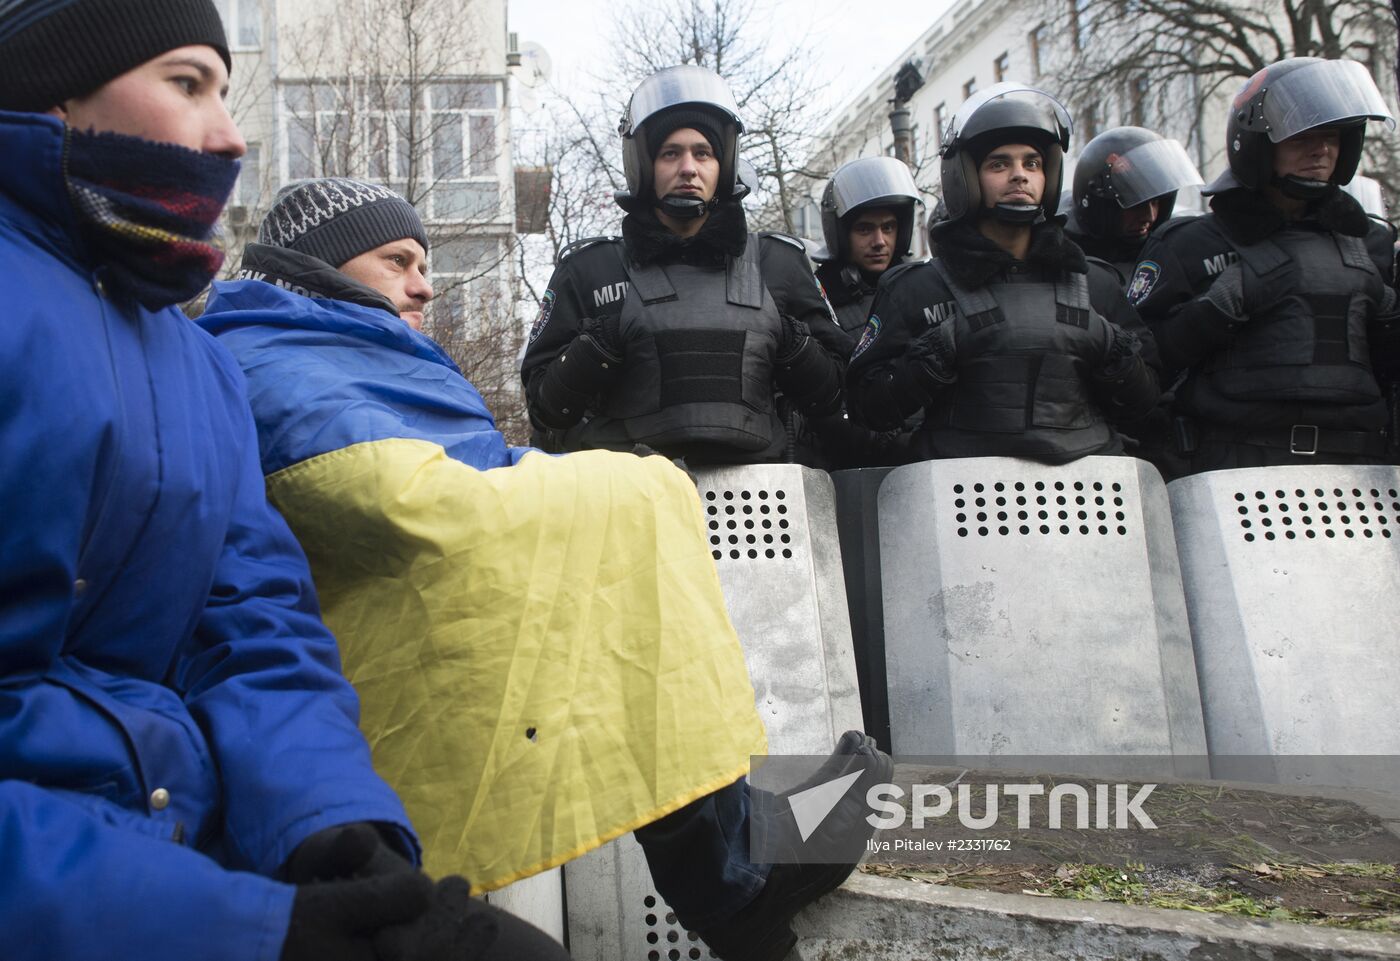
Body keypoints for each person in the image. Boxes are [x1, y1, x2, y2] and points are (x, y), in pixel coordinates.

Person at [0, 2, 570, 959]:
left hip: (190, 850)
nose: (229, 134)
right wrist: (240, 927)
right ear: (55, 92)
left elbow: (255, 626)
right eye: (187, 84)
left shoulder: (195, 364)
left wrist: (332, 831)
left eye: (227, 90)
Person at [198, 178, 893, 961]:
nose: (424, 283)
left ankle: (735, 863)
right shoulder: (271, 352)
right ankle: (733, 871)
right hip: (342, 657)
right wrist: (611, 487)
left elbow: (452, 464)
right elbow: (388, 491)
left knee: (620, 536)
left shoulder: (332, 347)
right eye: (397, 261)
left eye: (424, 262)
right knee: (630, 508)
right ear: (322, 269)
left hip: (365, 641)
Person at [520, 65, 847, 466]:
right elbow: (544, 410)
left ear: (723, 165)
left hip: (763, 506)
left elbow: (837, 399)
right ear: (644, 165)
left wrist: (792, 341)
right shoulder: (590, 270)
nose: (688, 168)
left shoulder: (779, 263)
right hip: (630, 502)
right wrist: (597, 346)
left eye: (703, 152)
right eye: (670, 153)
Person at [845, 83, 1160, 464]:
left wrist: (1109, 344)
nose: (1019, 176)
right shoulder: (917, 289)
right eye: (999, 164)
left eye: (1032, 163)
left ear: (1049, 177)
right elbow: (867, 409)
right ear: (966, 177)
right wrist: (935, 354)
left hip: (1084, 503)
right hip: (963, 503)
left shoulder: (1095, 283)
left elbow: (1148, 403)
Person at [1130, 57, 1400, 474]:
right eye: (1302, 137)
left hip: (1360, 472)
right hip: (1236, 470)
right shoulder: (1190, 245)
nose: (1321, 149)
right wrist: (1213, 310)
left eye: (1331, 136)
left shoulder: (1372, 245)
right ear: (1257, 144)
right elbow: (1138, 375)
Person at [1064, 126, 1203, 286]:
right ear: (1102, 207)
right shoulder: (1059, 254)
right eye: (1136, 205)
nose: (1149, 216)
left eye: (1156, 202)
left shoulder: (1170, 251)